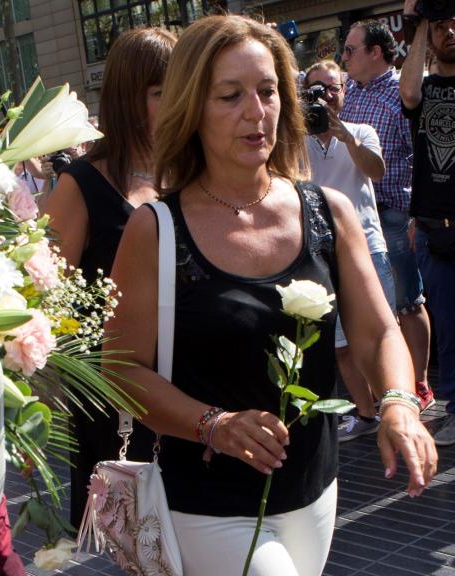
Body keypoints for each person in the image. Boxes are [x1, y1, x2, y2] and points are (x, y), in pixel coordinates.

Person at [108, 14, 437, 575]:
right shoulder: (155, 230)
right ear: (193, 108)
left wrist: (399, 404)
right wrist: (213, 424)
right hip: (206, 504)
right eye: (230, 96)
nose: (255, 111)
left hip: (314, 492)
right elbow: (120, 369)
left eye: (267, 91)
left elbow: (379, 331)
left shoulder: (328, 211)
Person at [40, 26, 176, 527]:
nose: (177, 104)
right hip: (117, 394)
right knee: (136, 535)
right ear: (126, 100)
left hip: (190, 380)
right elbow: (46, 292)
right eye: (161, 92)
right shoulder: (81, 183)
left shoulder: (192, 172)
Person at [341, 19, 436, 411]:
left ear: (375, 52)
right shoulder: (349, 93)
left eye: (350, 50)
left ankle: (420, 384)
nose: (343, 58)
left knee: (408, 302)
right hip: (357, 217)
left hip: (394, 213)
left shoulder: (402, 92)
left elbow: (422, 155)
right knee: (373, 307)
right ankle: (385, 389)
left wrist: (416, 215)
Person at [303, 60, 395, 442]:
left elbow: (377, 171)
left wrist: (346, 137)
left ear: (344, 90)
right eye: (316, 90)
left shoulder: (361, 130)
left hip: (368, 249)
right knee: (341, 346)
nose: (326, 96)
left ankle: (395, 410)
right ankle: (366, 413)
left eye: (333, 88)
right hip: (324, 255)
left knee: (381, 337)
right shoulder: (298, 141)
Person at [399, 3, 455, 445]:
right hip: (436, 229)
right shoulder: (427, 88)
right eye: (440, 27)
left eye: (454, 24)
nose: (449, 31)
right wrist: (418, 24)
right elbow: (409, 93)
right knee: (450, 329)